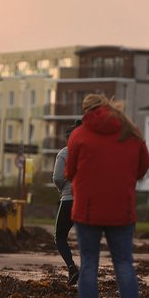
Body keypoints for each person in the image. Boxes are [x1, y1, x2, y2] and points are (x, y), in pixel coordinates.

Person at [65, 94, 149, 298]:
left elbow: (69, 171)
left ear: (86, 111)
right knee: (124, 263)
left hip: (88, 210)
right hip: (121, 209)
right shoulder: (130, 133)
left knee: (89, 264)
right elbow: (143, 166)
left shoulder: (79, 135)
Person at [52, 120, 82, 286]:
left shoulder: (64, 153)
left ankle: (72, 267)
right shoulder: (90, 152)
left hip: (69, 199)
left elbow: (57, 178)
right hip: (86, 201)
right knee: (86, 237)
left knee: (60, 235)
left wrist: (63, 187)